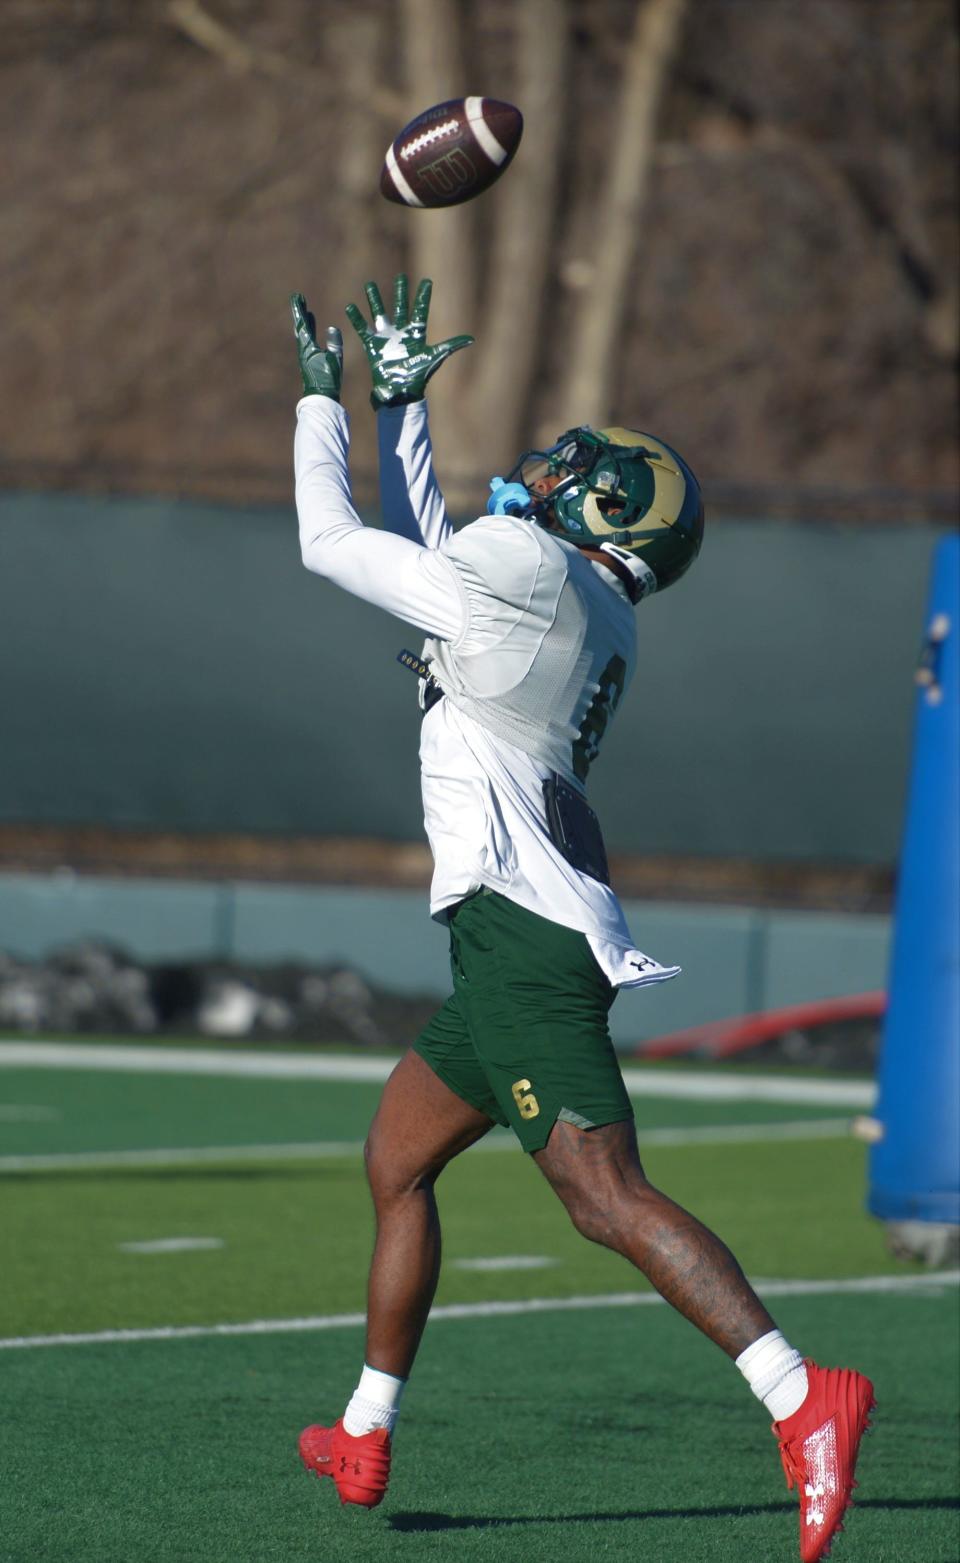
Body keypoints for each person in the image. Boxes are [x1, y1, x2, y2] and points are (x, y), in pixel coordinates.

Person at [288, 274, 874, 1563]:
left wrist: (325, 403)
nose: (551, 474)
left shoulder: (529, 571)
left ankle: (800, 1396)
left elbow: (337, 549)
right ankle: (365, 1428)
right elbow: (445, 573)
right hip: (519, 930)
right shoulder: (585, 604)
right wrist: (404, 410)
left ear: (602, 509)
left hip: (519, 934)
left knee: (603, 1197)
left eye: (575, 471)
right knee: (398, 1160)